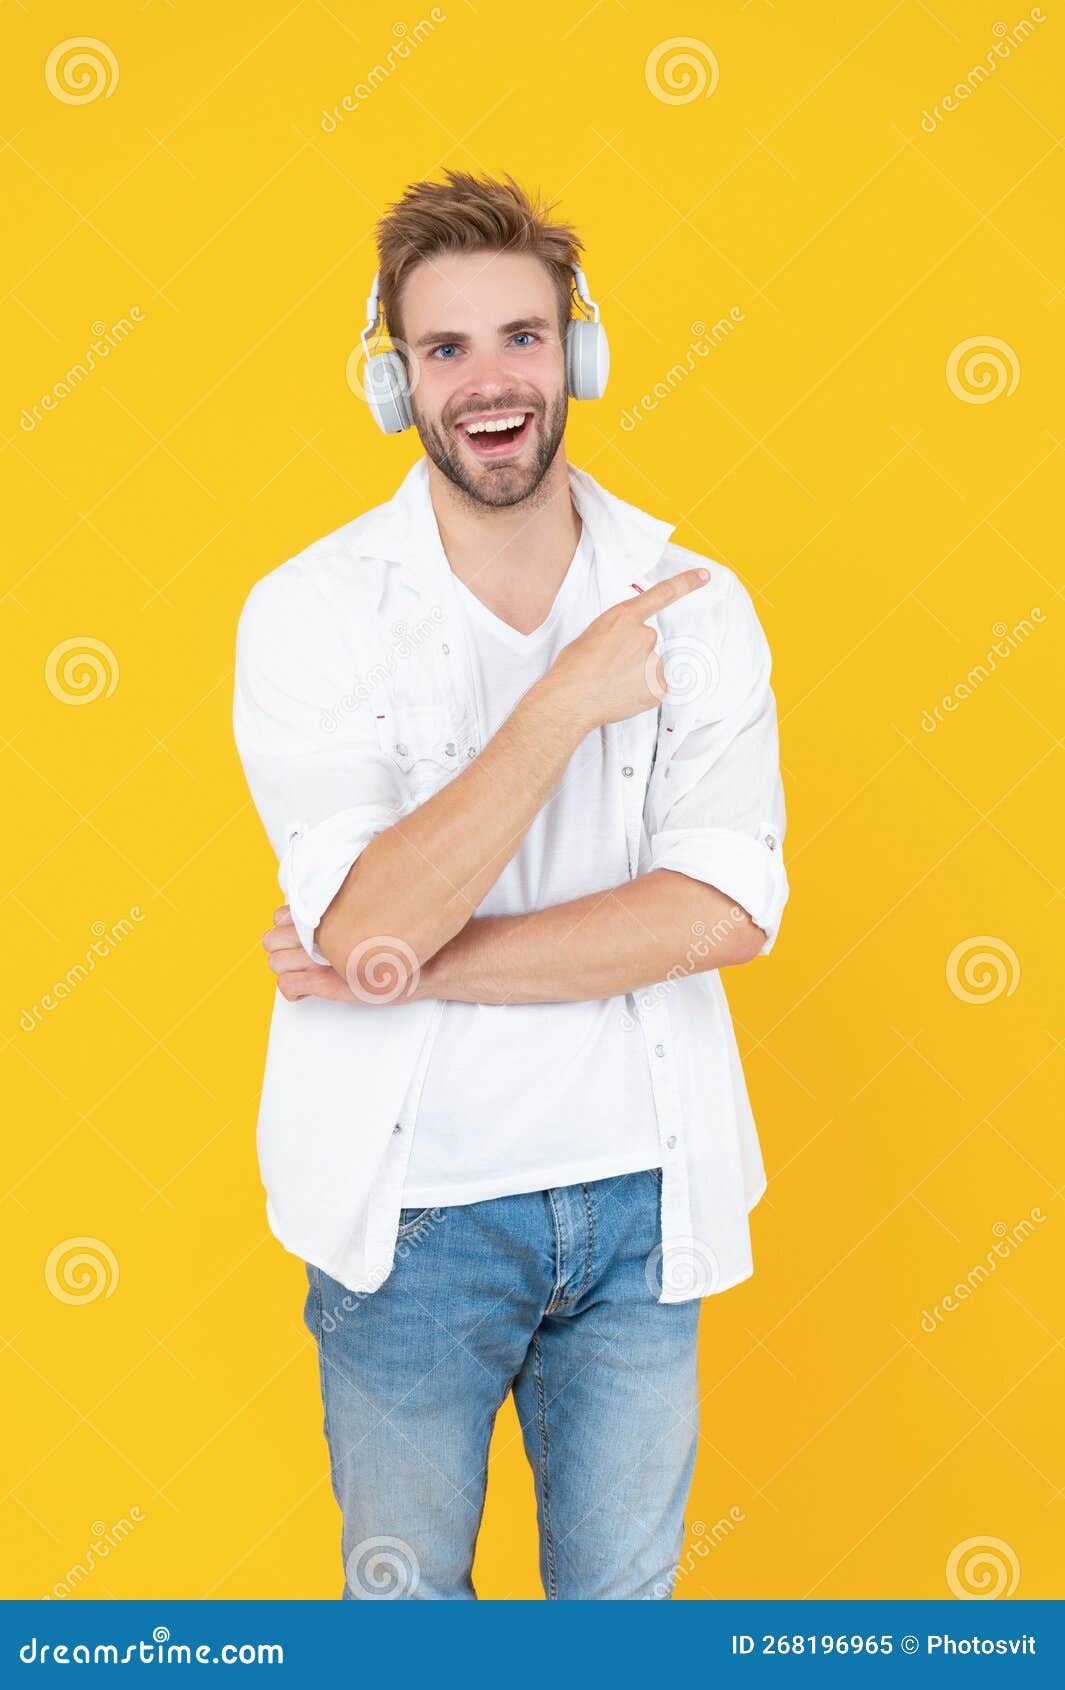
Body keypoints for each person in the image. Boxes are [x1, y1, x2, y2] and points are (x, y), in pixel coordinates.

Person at [232, 168, 789, 1600]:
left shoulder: (694, 602)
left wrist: (399, 951)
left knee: (620, 1625)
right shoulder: (309, 610)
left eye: (523, 337)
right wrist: (559, 703)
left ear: (576, 355)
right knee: (411, 1626)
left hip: (637, 1202)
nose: (491, 380)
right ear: (394, 379)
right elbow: (362, 921)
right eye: (445, 347)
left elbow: (718, 912)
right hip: (410, 1220)